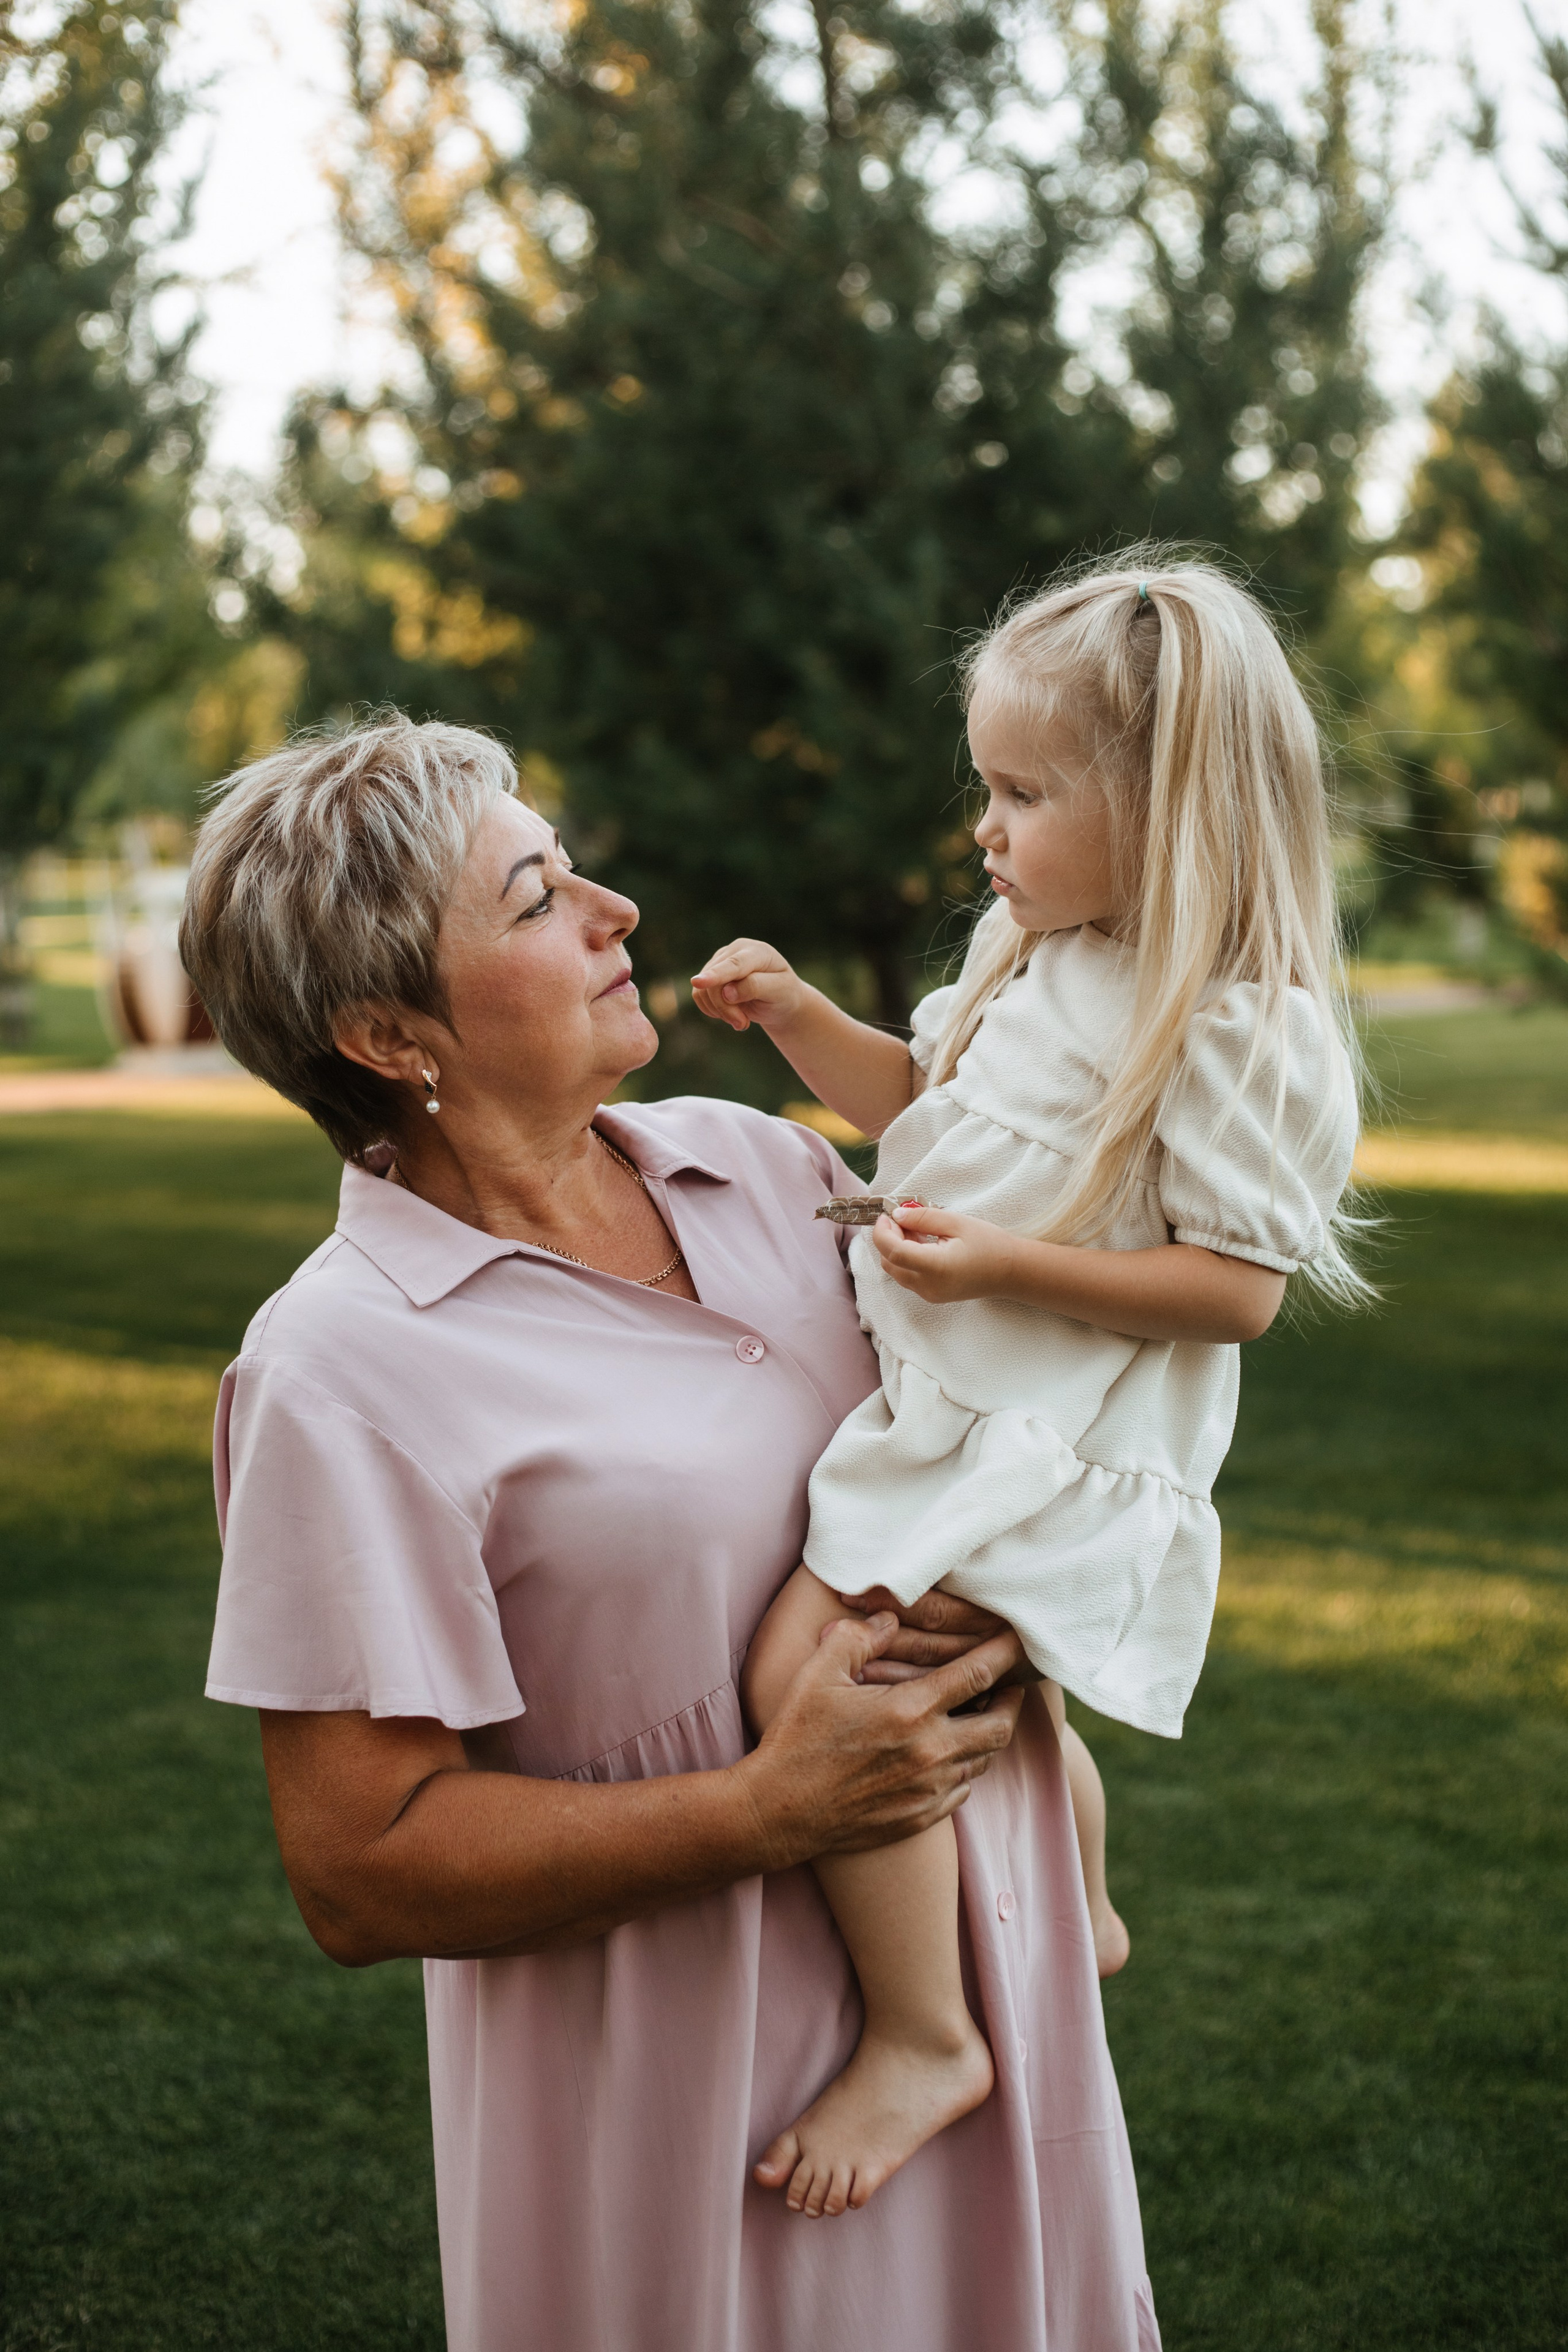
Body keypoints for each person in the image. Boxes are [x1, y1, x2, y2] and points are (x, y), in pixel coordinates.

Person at [180, 714, 1161, 2352]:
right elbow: (358, 1869)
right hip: (709, 2135)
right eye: (536, 895)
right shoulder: (337, 1370)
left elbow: (990, 1425)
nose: (614, 910)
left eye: (571, 864)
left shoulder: (771, 1169)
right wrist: (770, 1807)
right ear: (387, 1028)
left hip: (1012, 2016)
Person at [690, 557, 1365, 2222]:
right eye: (981, 789)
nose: (983, 830)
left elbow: (1235, 1295)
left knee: (817, 1662)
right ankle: (1088, 1894)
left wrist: (1000, 1266)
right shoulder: (1028, 943)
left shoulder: (1233, 1025)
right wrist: (797, 1022)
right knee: (1007, 1695)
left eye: (1019, 794)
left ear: (1166, 810)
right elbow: (926, 1104)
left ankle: (927, 2032)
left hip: (1053, 1440)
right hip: (959, 1397)